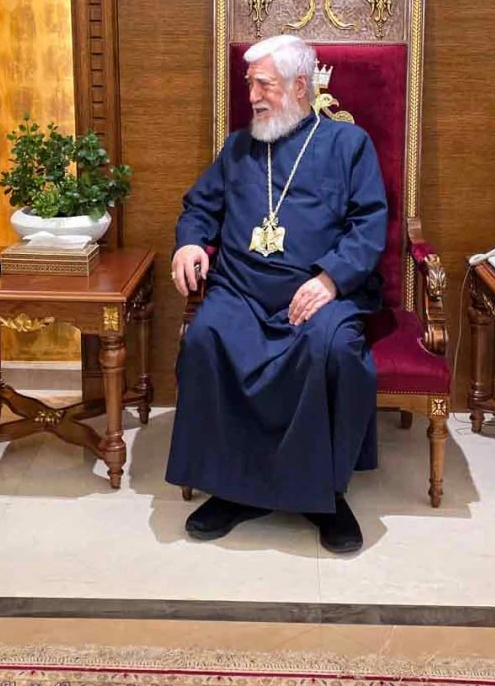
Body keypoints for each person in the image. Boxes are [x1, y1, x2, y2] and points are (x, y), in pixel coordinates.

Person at [165, 33, 387, 553]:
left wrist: (330, 279)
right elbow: (200, 206)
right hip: (241, 289)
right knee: (205, 338)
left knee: (335, 349)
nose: (252, 96)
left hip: (318, 291)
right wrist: (190, 242)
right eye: (250, 84)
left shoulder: (348, 145)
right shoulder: (238, 148)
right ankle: (230, 489)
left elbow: (369, 225)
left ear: (300, 86)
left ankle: (326, 496)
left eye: (263, 84)